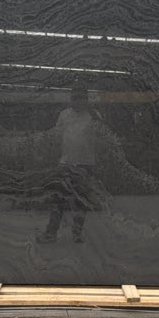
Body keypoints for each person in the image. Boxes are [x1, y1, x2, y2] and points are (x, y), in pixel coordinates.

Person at [37, 87, 104, 244]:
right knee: (58, 198)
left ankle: (77, 233)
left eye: (81, 98)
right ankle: (51, 233)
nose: (78, 101)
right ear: (71, 99)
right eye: (75, 98)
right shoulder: (64, 115)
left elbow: (102, 137)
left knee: (81, 200)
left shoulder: (94, 115)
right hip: (65, 162)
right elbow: (56, 136)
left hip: (86, 164)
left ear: (86, 100)